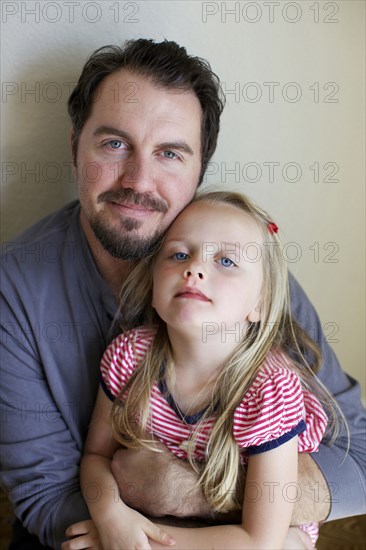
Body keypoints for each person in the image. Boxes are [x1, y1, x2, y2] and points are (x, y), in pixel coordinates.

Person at [0, 39, 364, 549]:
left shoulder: (247, 273)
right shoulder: (13, 288)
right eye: (114, 144)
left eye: (170, 153)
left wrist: (187, 491)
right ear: (74, 147)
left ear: (199, 172)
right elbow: (46, 498)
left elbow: (358, 459)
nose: (138, 179)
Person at [64, 190, 343, 550]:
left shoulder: (269, 388)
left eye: (226, 261)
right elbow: (96, 457)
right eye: (179, 254)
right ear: (153, 286)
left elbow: (260, 540)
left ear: (259, 303)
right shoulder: (129, 357)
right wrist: (112, 517)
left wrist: (142, 542)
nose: (193, 268)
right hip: (158, 522)